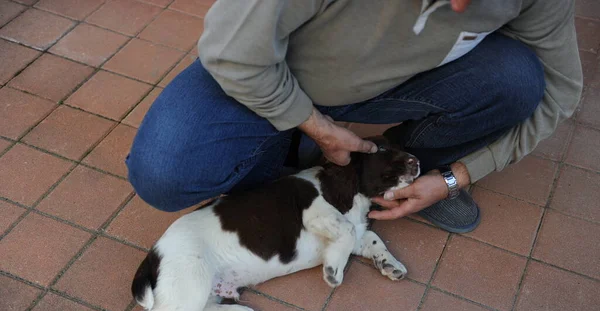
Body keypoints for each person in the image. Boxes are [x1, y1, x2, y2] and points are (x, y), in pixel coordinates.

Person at [125, 0, 582, 233]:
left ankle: (394, 171)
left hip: (395, 85)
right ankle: (290, 148)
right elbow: (233, 55)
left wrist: (455, 176)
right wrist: (317, 127)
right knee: (164, 174)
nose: (461, 7)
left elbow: (561, 91)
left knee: (519, 78)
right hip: (272, 70)